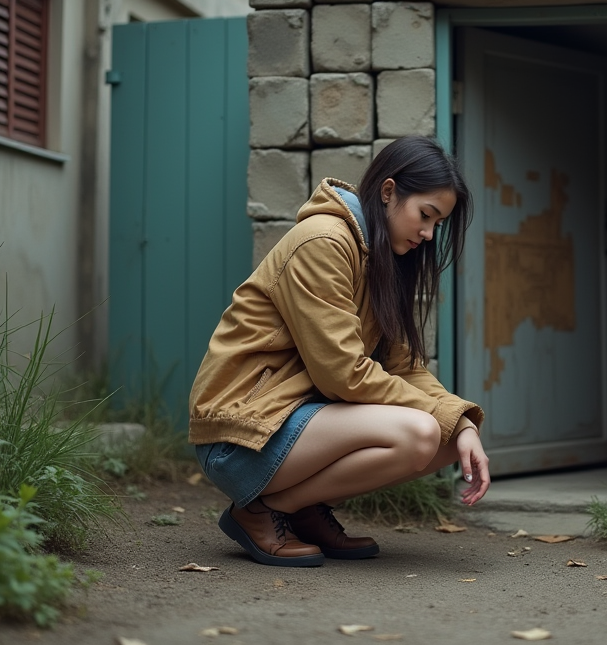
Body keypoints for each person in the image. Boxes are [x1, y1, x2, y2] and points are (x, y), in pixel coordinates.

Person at [188, 136, 489, 567]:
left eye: (438, 224)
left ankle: (297, 508)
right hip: (241, 434)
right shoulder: (323, 242)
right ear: (389, 192)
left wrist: (460, 422)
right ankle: (256, 510)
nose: (428, 234)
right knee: (422, 430)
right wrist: (443, 417)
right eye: (426, 215)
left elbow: (405, 368)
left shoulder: (383, 260)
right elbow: (343, 374)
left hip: (300, 425)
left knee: (448, 438)